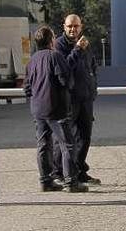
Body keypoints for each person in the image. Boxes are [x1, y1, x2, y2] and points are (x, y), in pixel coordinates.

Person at [24, 26, 88, 193]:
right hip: (55, 107)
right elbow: (65, 80)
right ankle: (71, 181)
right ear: (51, 40)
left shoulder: (32, 60)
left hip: (38, 108)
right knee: (68, 144)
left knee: (43, 145)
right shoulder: (55, 56)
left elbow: (27, 87)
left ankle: (45, 180)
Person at [51, 14, 100, 185]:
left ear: (81, 26)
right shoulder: (58, 45)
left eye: (76, 26)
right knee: (64, 138)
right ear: (63, 27)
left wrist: (93, 88)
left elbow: (92, 66)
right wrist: (77, 49)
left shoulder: (86, 44)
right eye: (69, 26)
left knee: (84, 137)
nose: (73, 29)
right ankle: (57, 173)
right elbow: (63, 68)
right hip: (68, 99)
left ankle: (79, 170)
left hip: (86, 98)